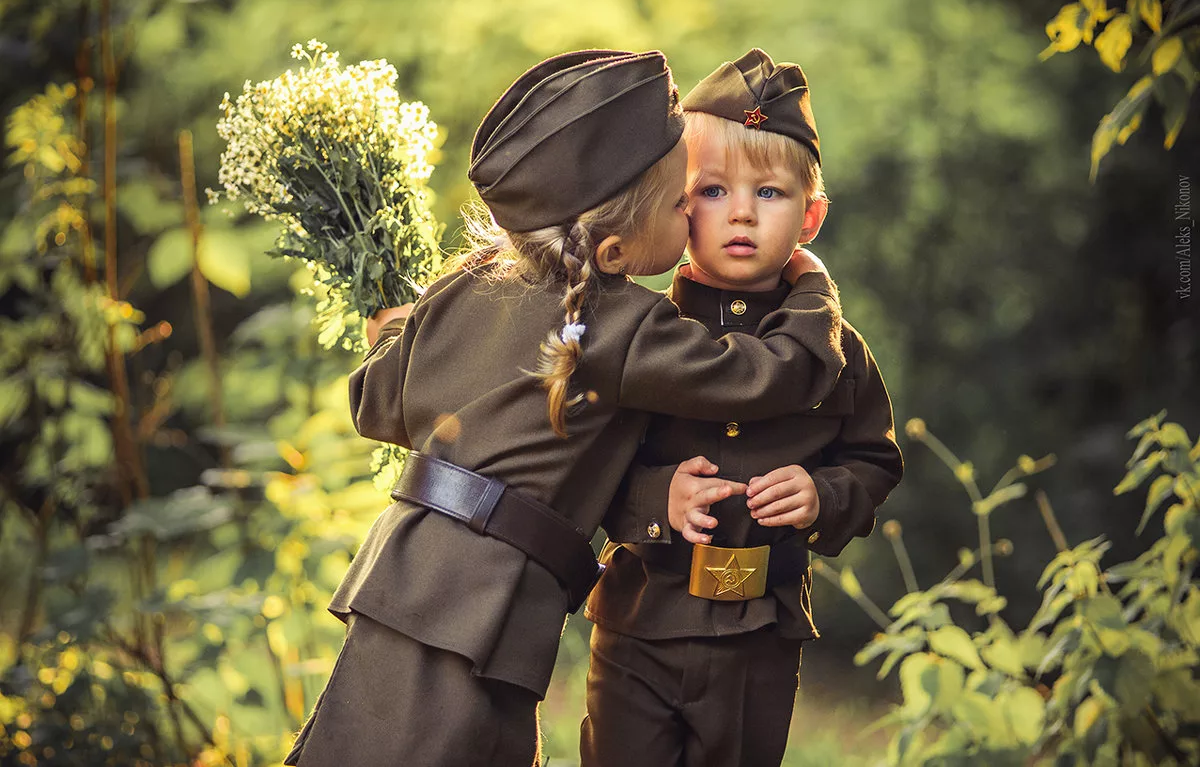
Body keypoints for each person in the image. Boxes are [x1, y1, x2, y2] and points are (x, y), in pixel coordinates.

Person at [284, 49, 848, 767]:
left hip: (406, 577)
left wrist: (400, 331)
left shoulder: (470, 278)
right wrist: (813, 285)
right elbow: (768, 377)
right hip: (482, 603)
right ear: (615, 249)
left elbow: (375, 404)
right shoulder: (620, 324)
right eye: (684, 202)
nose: (693, 216)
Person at [580, 48, 905, 767]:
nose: (740, 215)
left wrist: (822, 494)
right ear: (677, 204)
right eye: (714, 189)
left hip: (763, 634)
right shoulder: (641, 335)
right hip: (642, 623)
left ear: (810, 216)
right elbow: (583, 460)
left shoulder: (837, 350)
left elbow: (876, 458)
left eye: (768, 194)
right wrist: (653, 496)